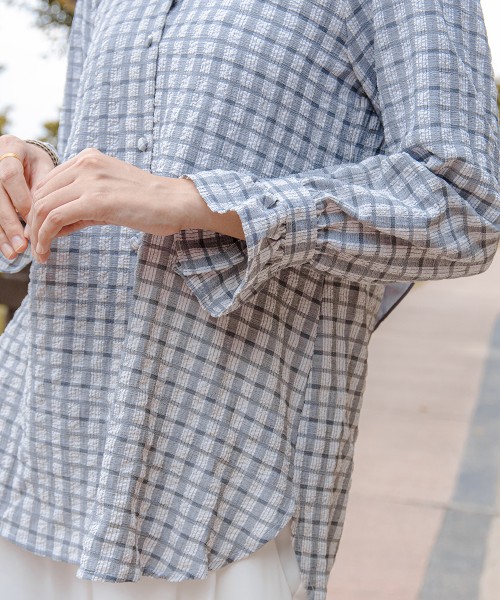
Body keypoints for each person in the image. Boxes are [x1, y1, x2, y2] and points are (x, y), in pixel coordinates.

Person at [0, 0, 499, 599]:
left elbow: (463, 206)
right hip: (37, 452)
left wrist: (204, 201)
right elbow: (106, 168)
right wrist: (37, 176)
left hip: (221, 479)